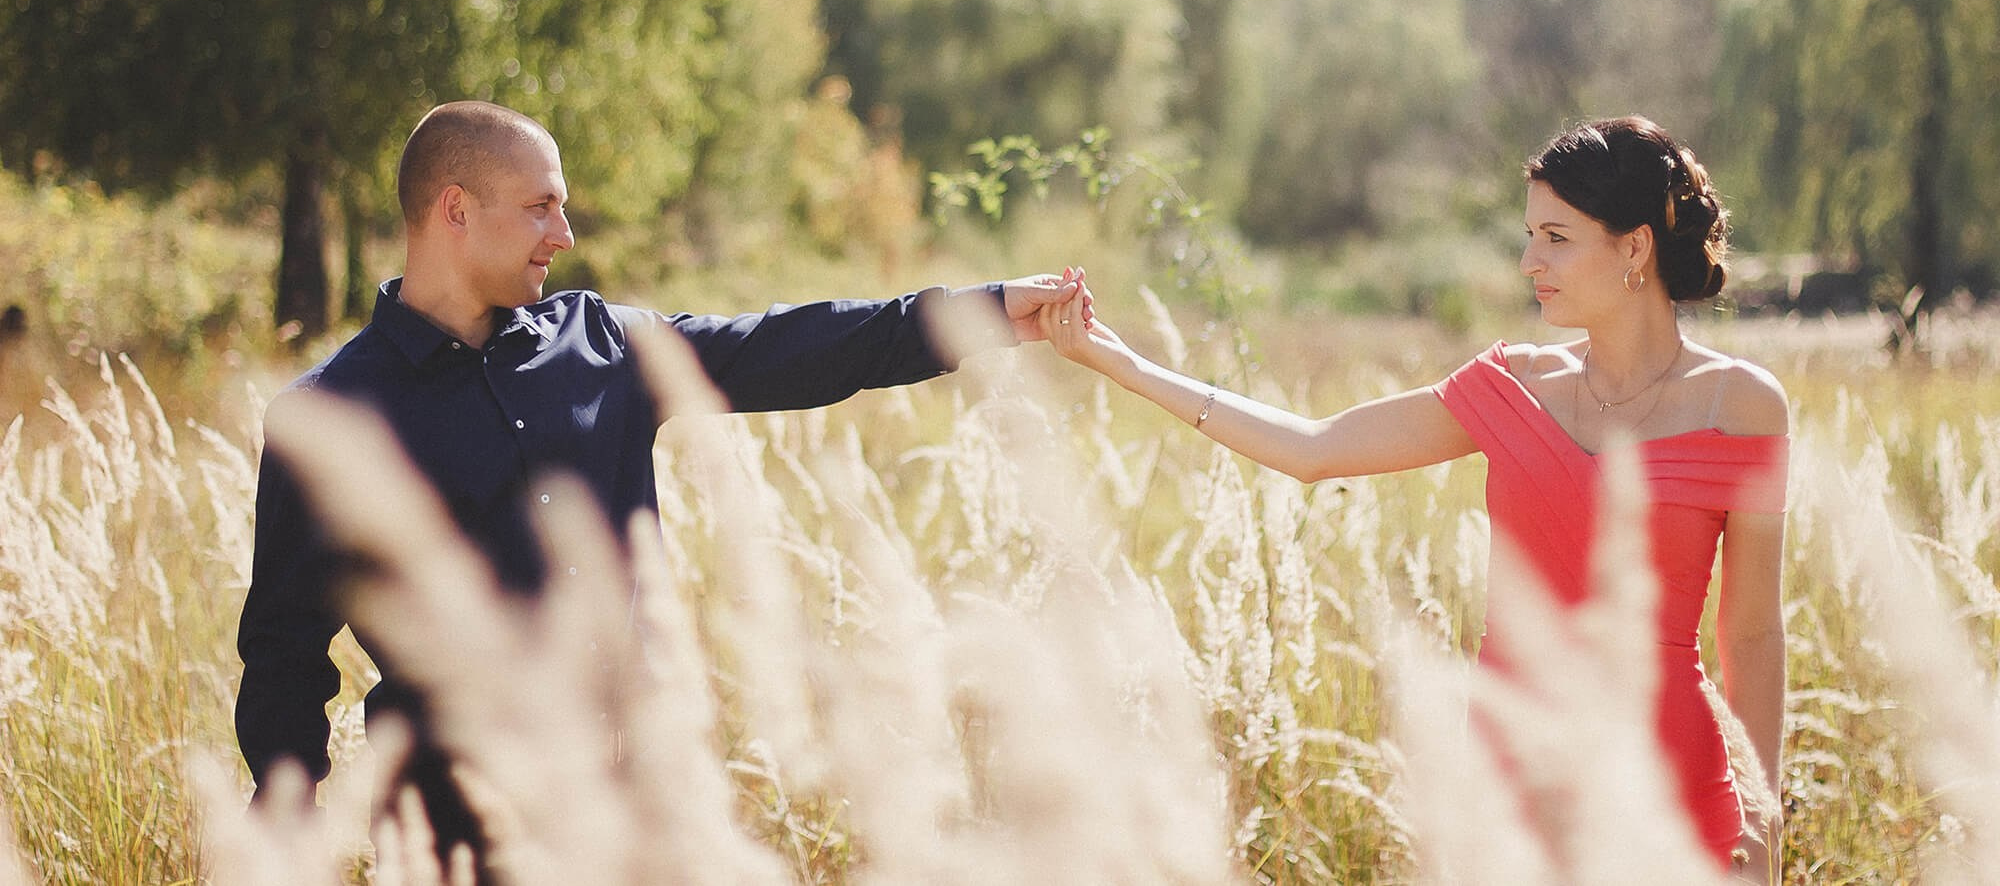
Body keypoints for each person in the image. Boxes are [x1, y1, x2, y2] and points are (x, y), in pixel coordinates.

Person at [236, 101, 1084, 868]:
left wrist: (978, 312)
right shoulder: (327, 414)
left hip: (642, 803)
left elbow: (779, 347)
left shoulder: (601, 342)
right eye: (541, 205)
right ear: (455, 208)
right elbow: (283, 655)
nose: (562, 232)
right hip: (453, 830)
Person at [1040, 117, 1788, 879]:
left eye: (1557, 237)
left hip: (1676, 791)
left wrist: (1763, 823)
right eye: (1530, 234)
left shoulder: (1744, 407)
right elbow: (1314, 446)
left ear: (1635, 246)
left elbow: (1753, 634)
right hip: (1512, 779)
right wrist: (1121, 361)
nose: (1530, 260)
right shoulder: (1512, 384)